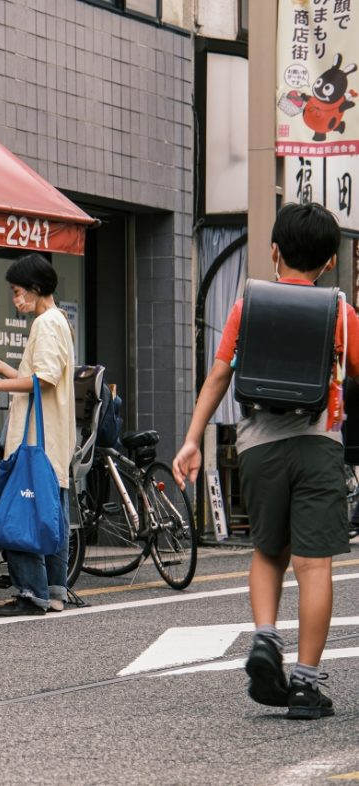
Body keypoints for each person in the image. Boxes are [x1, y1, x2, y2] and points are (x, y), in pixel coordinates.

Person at [174, 202, 359, 720]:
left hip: (257, 448)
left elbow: (217, 378)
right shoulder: (340, 312)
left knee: (268, 551)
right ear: (327, 263)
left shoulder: (246, 305)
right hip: (319, 445)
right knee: (314, 563)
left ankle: (264, 637)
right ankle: (304, 683)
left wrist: (192, 440)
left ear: (274, 251)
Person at [0, 253, 76, 617]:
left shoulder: (45, 324)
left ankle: (32, 593)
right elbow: (42, 377)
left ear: (34, 289)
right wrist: (4, 367)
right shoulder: (59, 320)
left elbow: (42, 379)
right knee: (50, 514)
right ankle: (55, 591)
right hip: (51, 442)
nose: (16, 300)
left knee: (19, 513)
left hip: (34, 441)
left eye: (18, 292)